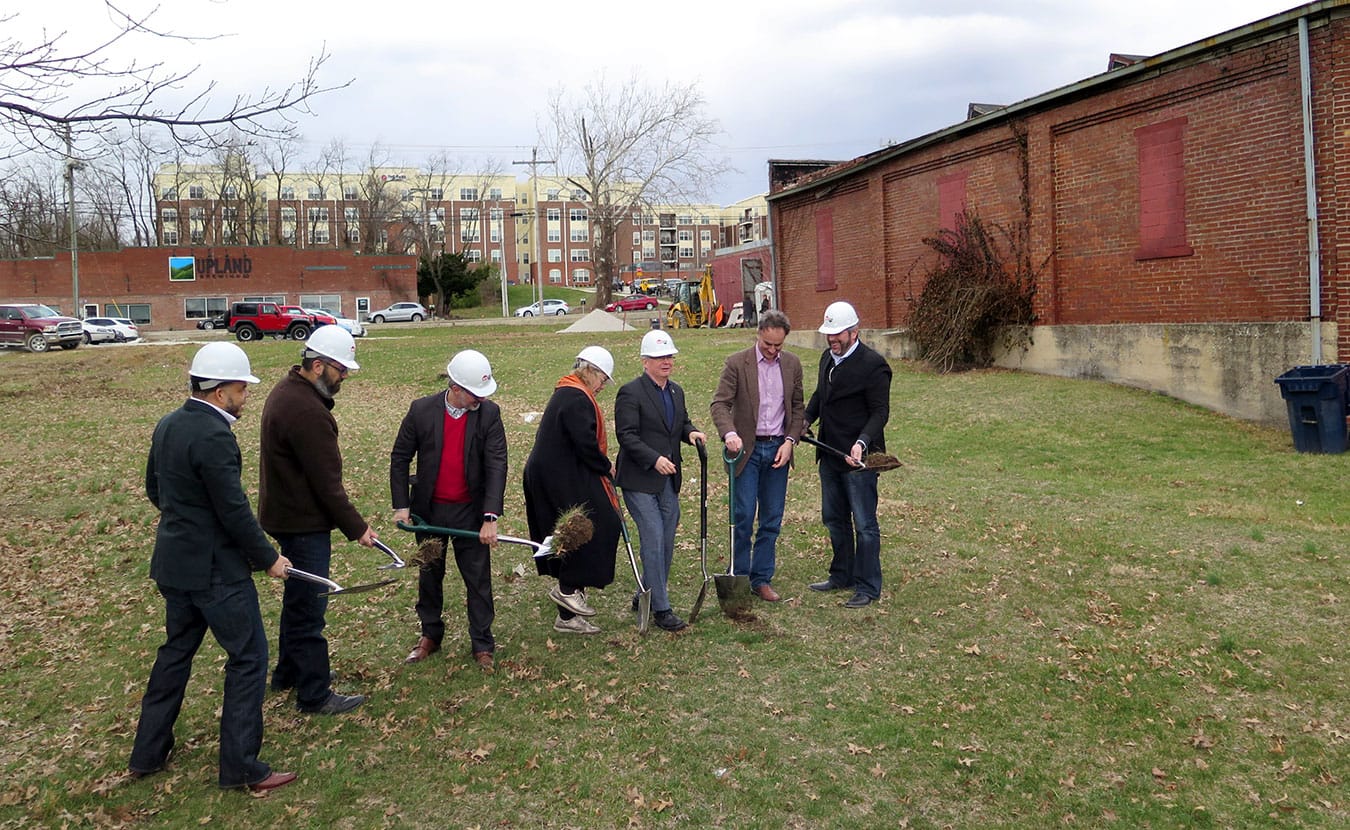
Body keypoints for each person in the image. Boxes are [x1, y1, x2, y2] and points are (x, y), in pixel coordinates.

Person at [129, 343, 297, 793]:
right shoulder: (215, 435)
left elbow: (154, 489)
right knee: (249, 658)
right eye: (242, 389)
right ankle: (242, 767)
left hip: (173, 566)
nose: (246, 397)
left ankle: (148, 752)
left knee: (175, 654)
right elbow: (233, 509)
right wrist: (268, 558)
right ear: (220, 391)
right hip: (216, 574)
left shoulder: (169, 424)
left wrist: (185, 522)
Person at [259, 325, 375, 714]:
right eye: (341, 370)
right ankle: (314, 693)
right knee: (310, 608)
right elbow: (328, 485)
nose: (344, 377)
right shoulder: (307, 411)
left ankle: (287, 673)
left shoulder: (287, 390)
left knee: (297, 600)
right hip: (301, 521)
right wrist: (357, 528)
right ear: (318, 364)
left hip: (285, 514)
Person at [390, 350, 507, 672]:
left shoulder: (489, 414)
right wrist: (402, 506)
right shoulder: (421, 411)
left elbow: (497, 464)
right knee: (429, 575)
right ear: (455, 387)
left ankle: (482, 643)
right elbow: (400, 457)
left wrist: (490, 517)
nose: (481, 399)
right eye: (475, 393)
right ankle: (430, 634)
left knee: (478, 580)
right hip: (429, 513)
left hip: (471, 513)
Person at [522, 346, 620, 635]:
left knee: (571, 533)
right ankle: (567, 588)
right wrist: (606, 466)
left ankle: (567, 617)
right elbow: (585, 443)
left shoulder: (570, 392)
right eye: (602, 378)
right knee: (594, 524)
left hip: (558, 472)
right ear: (588, 371)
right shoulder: (575, 397)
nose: (603, 386)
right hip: (555, 476)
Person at [709, 310, 805, 602]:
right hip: (747, 452)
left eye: (778, 345)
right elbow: (719, 404)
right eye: (768, 345)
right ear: (758, 334)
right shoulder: (738, 363)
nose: (773, 351)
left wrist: (790, 441)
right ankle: (738, 575)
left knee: (771, 519)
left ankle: (761, 579)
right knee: (743, 515)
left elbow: (798, 408)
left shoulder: (791, 365)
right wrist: (730, 434)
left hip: (778, 449)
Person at [614, 330, 706, 632]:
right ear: (645, 361)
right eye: (659, 357)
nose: (666, 362)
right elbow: (626, 435)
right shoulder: (631, 392)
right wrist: (654, 458)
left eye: (669, 356)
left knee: (665, 539)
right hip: (639, 479)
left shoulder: (676, 391)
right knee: (652, 538)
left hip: (668, 480)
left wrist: (690, 432)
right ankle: (662, 609)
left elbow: (680, 423)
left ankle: (646, 593)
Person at [803, 301, 892, 608]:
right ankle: (842, 574)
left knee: (864, 524)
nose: (832, 340)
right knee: (834, 518)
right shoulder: (827, 358)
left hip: (858, 460)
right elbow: (819, 396)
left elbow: (880, 412)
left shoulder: (874, 365)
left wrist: (862, 442)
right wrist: (804, 421)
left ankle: (868, 586)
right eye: (828, 334)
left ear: (855, 332)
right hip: (829, 453)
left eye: (837, 334)